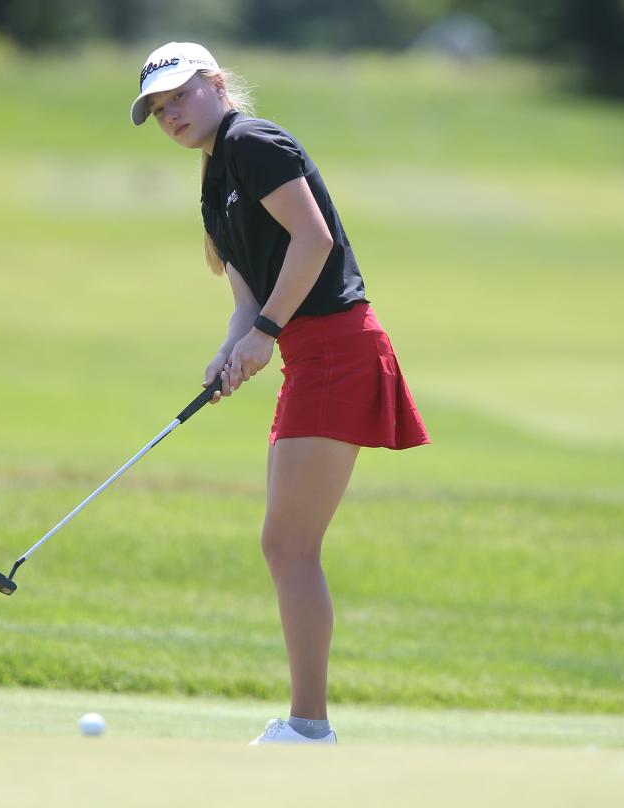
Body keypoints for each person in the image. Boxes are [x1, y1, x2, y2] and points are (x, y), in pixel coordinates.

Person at [130, 43, 430, 745]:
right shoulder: (215, 183)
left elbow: (314, 239)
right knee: (285, 544)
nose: (170, 115)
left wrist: (264, 331)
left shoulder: (252, 140)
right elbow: (248, 297)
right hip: (309, 355)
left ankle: (309, 728)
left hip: (338, 350)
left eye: (179, 96)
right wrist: (233, 346)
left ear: (214, 83)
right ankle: (307, 725)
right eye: (158, 109)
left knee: (288, 544)